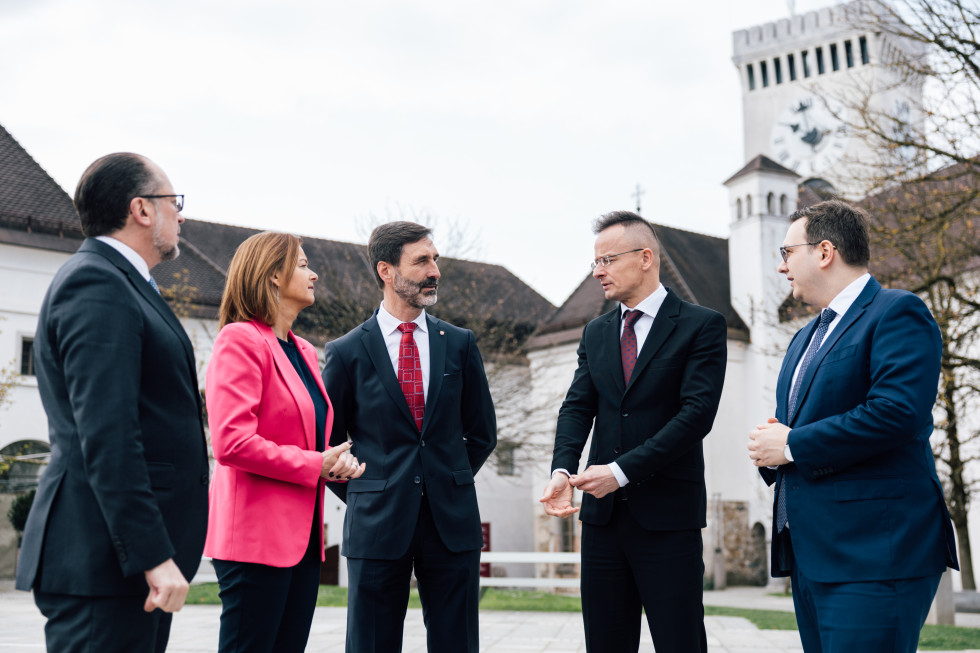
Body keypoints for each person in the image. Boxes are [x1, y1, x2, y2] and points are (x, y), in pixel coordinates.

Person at [15, 153, 209, 652]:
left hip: (122, 568)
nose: (180, 216)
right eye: (174, 202)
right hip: (105, 563)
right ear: (141, 209)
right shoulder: (96, 283)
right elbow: (107, 434)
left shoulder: (128, 284)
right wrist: (151, 554)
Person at [747, 199, 958, 652]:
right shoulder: (804, 336)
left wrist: (792, 444)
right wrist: (772, 447)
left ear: (824, 252)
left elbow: (897, 412)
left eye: (787, 253)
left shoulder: (897, 312)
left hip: (875, 555)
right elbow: (798, 427)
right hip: (812, 555)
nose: (782, 267)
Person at [540, 210, 727, 653]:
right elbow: (577, 407)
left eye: (607, 260)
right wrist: (562, 469)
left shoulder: (701, 325)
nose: (598, 272)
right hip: (602, 523)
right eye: (595, 262)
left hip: (668, 520)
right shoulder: (596, 332)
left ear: (645, 257)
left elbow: (696, 416)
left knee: (679, 642)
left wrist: (620, 472)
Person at [321, 221, 497, 653]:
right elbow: (326, 445)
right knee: (372, 644)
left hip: (451, 522)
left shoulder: (459, 343)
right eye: (422, 261)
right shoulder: (345, 352)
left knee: (457, 643)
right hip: (376, 522)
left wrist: (445, 478)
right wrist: (368, 489)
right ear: (386, 270)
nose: (434, 270)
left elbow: (482, 432)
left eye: (435, 259)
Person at [204, 231, 365, 653]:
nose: (313, 274)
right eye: (302, 264)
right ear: (273, 275)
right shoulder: (239, 340)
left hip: (304, 543)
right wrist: (315, 463)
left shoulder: (305, 351)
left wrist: (333, 463)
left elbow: (307, 442)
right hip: (254, 541)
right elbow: (231, 442)